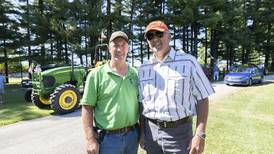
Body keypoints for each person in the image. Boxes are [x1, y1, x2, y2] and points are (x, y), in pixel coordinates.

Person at [138, 20, 215, 154]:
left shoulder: (188, 62)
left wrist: (199, 134)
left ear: (169, 36)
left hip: (179, 134)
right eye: (150, 36)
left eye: (159, 34)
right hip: (151, 134)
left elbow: (203, 98)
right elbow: (142, 104)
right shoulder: (143, 68)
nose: (155, 38)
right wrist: (143, 133)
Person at [81, 31, 139, 154]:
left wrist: (143, 133)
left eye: (123, 45)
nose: (119, 49)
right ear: (109, 48)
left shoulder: (136, 74)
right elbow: (87, 108)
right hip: (108, 140)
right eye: (116, 45)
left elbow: (142, 105)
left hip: (132, 136)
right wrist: (90, 139)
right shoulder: (95, 75)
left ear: (128, 48)